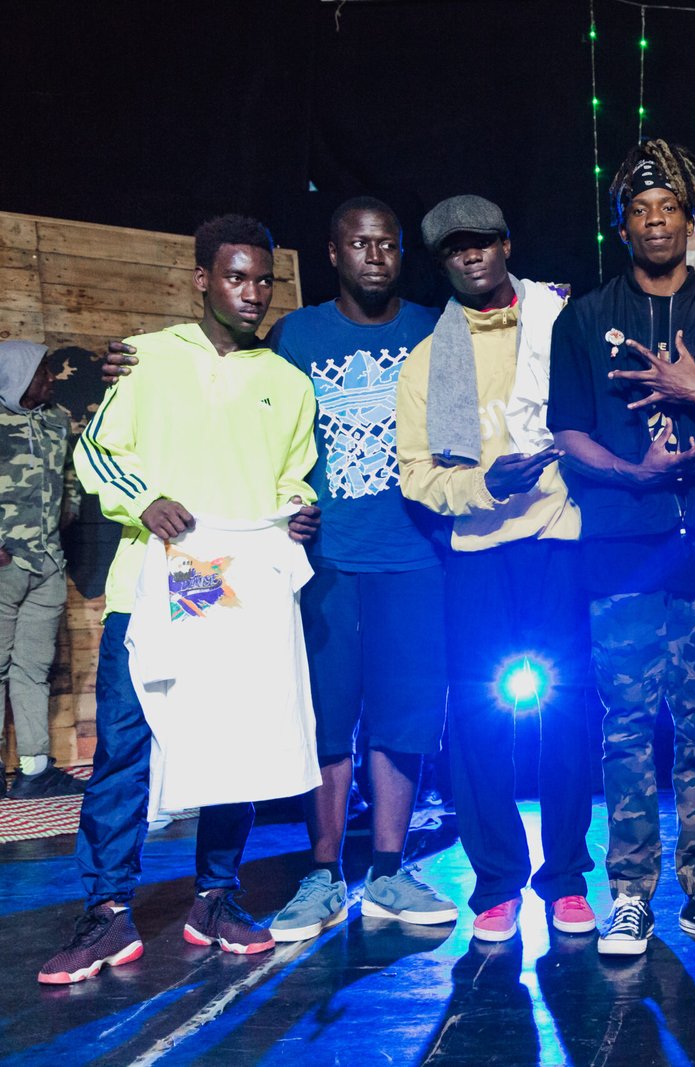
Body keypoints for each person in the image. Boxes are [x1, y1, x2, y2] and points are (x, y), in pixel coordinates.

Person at [103, 198, 461, 941]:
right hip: (315, 564)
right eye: (359, 243)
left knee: (404, 719)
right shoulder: (294, 336)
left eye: (388, 244)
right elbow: (230, 382)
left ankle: (389, 869)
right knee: (320, 720)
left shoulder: (434, 327)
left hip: (414, 557)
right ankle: (321, 874)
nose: (374, 256)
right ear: (332, 253)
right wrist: (126, 362)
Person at [40, 214, 321, 984]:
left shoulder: (288, 384)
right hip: (157, 580)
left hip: (235, 586)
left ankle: (216, 897)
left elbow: (294, 475)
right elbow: (98, 449)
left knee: (233, 746)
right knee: (125, 749)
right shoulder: (148, 360)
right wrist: (146, 499)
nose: (252, 292)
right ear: (203, 279)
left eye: (263, 279)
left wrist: (299, 508)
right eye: (235, 276)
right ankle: (106, 911)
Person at [549, 139, 695, 956]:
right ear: (622, 226)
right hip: (622, 548)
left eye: (669, 208)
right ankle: (630, 895)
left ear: (690, 220)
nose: (655, 221)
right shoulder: (584, 318)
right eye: (640, 210)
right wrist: (635, 472)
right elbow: (568, 431)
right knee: (626, 725)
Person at [395, 193, 593, 943]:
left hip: (559, 540)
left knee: (568, 713)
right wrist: (484, 485)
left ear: (507, 244)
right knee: (479, 722)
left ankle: (567, 878)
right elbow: (417, 474)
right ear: (442, 263)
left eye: (482, 241)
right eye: (455, 248)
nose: (471, 255)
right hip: (478, 551)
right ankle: (498, 884)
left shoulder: (559, 322)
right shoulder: (427, 361)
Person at [0, 340, 81, 800]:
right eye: (42, 371)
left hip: (48, 563)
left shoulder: (56, 420)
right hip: (5, 562)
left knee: (33, 667)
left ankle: (34, 770)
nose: (51, 379)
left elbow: (69, 474)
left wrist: (69, 510)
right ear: (17, 376)